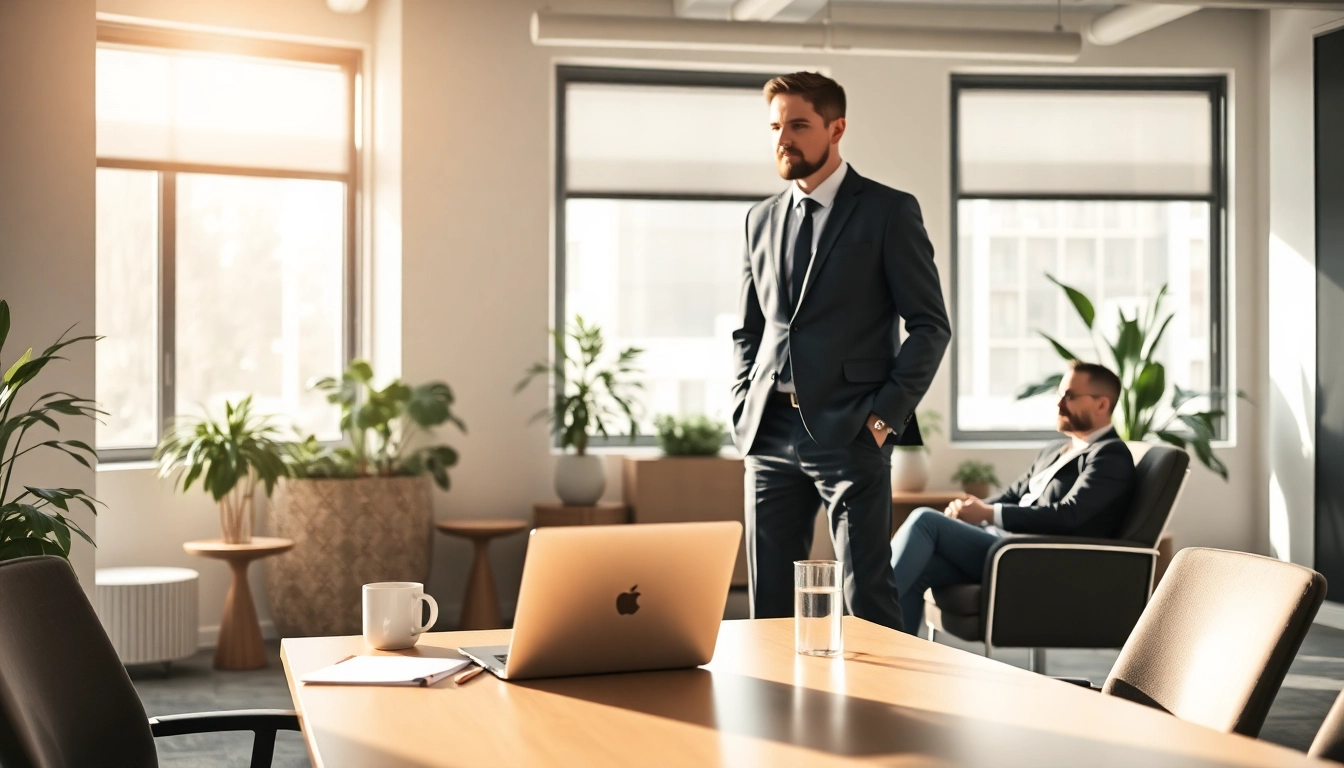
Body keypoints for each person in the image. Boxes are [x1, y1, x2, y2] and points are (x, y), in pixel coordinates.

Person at [731, 72, 951, 633]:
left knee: (866, 594)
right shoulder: (760, 219)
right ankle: (773, 692)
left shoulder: (887, 211)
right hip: (768, 430)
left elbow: (930, 326)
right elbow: (749, 329)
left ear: (836, 129)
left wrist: (882, 419)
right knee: (768, 603)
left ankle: (887, 692)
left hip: (851, 429)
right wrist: (742, 401)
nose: (784, 138)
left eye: (798, 125)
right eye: (776, 127)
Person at [889, 361, 1137, 633]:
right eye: (1059, 395)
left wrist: (988, 514)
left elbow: (1069, 515)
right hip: (1002, 545)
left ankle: (865, 616)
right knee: (923, 568)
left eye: (1070, 396)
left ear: (1102, 404)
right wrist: (971, 511)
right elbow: (1013, 494)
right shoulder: (1056, 450)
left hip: (1031, 558)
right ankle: (889, 649)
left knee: (925, 521)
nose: (1059, 403)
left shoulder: (1110, 456)